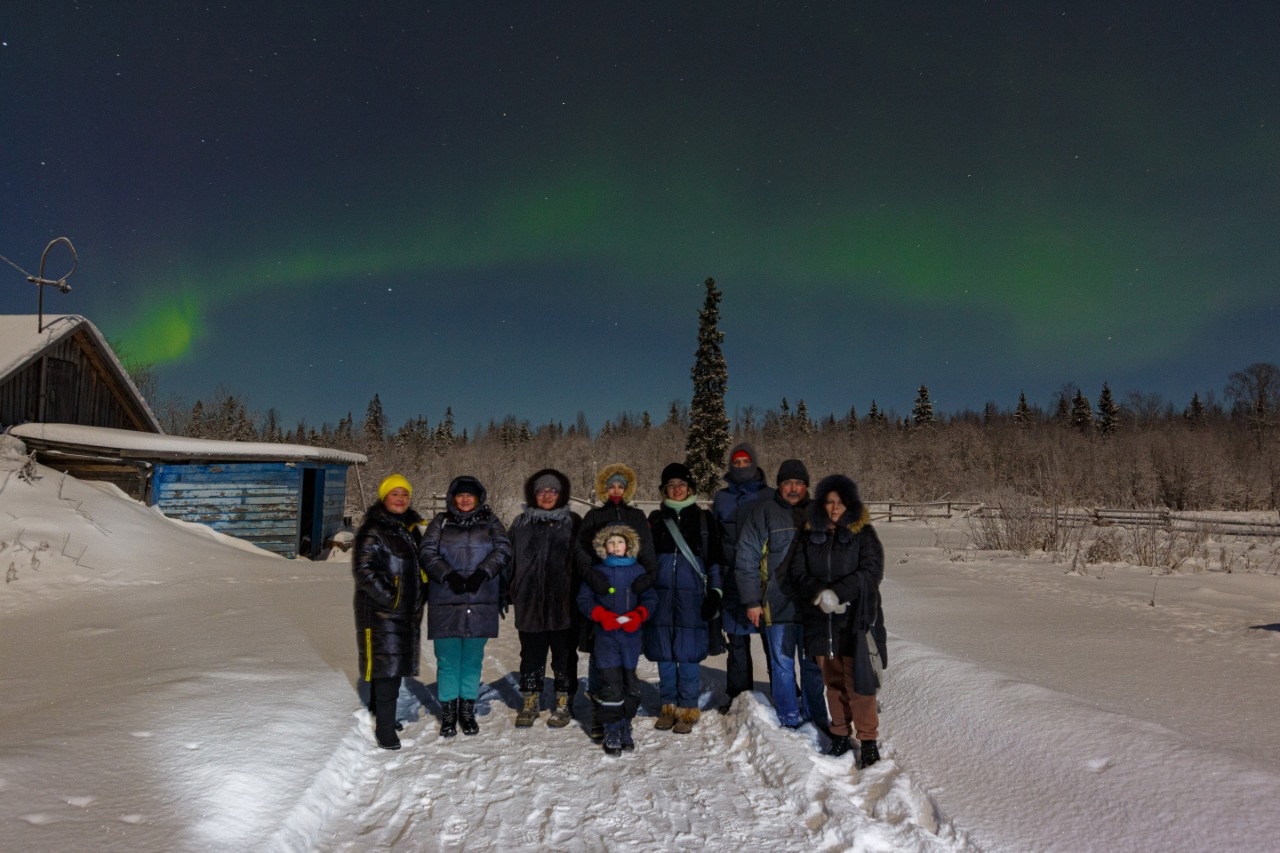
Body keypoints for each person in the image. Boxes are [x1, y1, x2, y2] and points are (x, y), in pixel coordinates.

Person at [782, 474, 887, 766]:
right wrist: (818, 594)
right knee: (833, 683)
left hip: (855, 621)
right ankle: (839, 734)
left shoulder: (862, 534)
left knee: (860, 685)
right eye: (829, 502)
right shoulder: (809, 535)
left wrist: (838, 594)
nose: (834, 507)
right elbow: (798, 572)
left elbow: (870, 572)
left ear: (849, 503)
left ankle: (868, 740)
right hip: (820, 622)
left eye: (840, 502)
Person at [735, 459, 827, 730]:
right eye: (788, 482)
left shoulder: (818, 514)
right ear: (780, 485)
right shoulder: (764, 512)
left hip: (813, 607)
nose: (794, 488)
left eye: (799, 483)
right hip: (778, 603)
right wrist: (752, 600)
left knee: (812, 667)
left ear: (806, 485)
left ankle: (816, 719)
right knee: (782, 666)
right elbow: (746, 557)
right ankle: (789, 717)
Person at [421, 475, 512, 738]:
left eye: (469, 495)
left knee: (472, 660)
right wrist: (447, 574)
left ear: (478, 497)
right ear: (452, 497)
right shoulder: (441, 522)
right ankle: (449, 713)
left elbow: (503, 549)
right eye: (460, 495)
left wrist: (483, 573)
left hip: (480, 599)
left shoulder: (490, 521)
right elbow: (427, 551)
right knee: (448, 660)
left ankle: (467, 710)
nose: (464, 499)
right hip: (446, 599)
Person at [575, 462, 657, 741]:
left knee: (626, 671)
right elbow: (582, 552)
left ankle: (623, 720)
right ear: (603, 488)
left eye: (621, 485)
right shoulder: (594, 516)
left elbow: (645, 549)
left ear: (628, 488)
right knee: (600, 664)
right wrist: (591, 576)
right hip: (602, 594)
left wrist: (648, 577)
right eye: (611, 485)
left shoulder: (636, 515)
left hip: (630, 598)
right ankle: (602, 718)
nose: (616, 490)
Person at [644, 462, 725, 734]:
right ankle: (668, 706)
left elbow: (715, 560)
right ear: (664, 489)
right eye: (671, 485)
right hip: (660, 599)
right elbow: (645, 561)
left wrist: (716, 591)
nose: (677, 489)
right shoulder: (655, 520)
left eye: (681, 485)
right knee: (664, 655)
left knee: (688, 656)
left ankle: (688, 708)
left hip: (692, 599)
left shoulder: (703, 520)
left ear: (690, 488)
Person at [351, 473, 427, 751]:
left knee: (393, 666)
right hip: (381, 611)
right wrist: (394, 599)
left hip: (404, 611)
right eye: (395, 494)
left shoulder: (407, 529)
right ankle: (384, 729)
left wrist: (422, 593)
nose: (400, 499)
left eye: (405, 494)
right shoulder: (374, 529)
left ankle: (384, 716)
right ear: (384, 497)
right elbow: (364, 571)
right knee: (386, 669)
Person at [507, 468, 582, 728]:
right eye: (542, 490)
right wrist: (507, 590)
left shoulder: (573, 522)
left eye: (552, 490)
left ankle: (564, 701)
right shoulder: (520, 524)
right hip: (529, 603)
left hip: (564, 604)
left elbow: (584, 563)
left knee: (564, 655)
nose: (547, 495)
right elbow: (508, 560)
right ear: (533, 494)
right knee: (531, 655)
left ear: (561, 494)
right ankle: (530, 700)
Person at [711, 443, 774, 712]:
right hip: (731, 579)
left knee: (772, 640)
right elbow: (714, 538)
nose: (740, 466)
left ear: (755, 463)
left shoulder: (769, 496)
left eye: (745, 461)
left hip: (764, 580)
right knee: (736, 640)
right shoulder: (721, 498)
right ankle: (739, 695)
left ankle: (784, 695)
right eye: (736, 462)